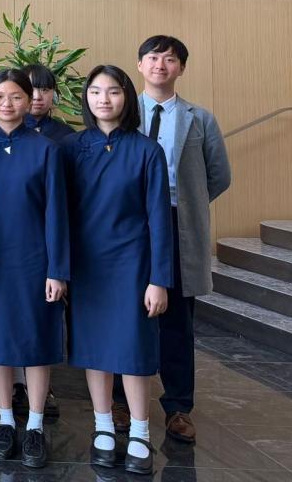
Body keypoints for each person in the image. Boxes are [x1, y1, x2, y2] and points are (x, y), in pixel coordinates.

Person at [62, 64, 173, 476]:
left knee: (132, 348)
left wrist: (159, 279)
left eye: (112, 91)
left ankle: (140, 431)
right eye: (95, 91)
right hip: (87, 266)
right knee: (94, 348)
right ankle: (103, 426)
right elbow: (60, 213)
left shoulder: (147, 151)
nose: (103, 99)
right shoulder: (71, 148)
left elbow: (159, 220)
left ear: (127, 96)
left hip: (133, 265)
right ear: (86, 98)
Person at [136, 36, 231, 444]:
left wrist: (186, 206)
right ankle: (122, 401)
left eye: (170, 59)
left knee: (176, 320)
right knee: (126, 313)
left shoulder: (200, 118)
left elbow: (219, 175)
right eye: (153, 57)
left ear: (181, 68)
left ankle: (178, 407)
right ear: (140, 65)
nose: (160, 65)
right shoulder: (122, 110)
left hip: (177, 224)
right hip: (130, 225)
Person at [0, 69, 68, 469]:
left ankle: (34, 424)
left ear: (29, 100)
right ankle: (5, 420)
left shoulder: (47, 149)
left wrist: (57, 269)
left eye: (15, 96)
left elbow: (56, 213)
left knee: (35, 338)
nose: (7, 104)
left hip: (35, 260)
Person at [23, 64, 74, 143]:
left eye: (44, 90)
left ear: (54, 93)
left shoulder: (67, 135)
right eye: (30, 89)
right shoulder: (5, 131)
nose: (37, 97)